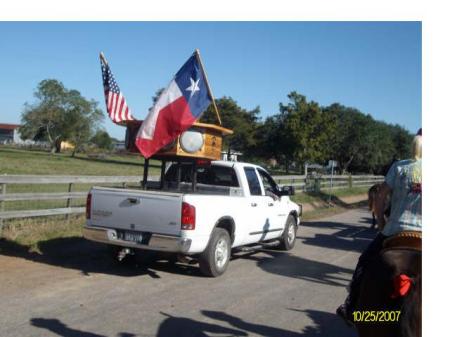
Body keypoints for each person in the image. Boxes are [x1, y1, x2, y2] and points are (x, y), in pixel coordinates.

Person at [336, 128, 422, 325]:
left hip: (395, 231)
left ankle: (351, 307)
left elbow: (380, 197)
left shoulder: (399, 167)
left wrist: (382, 223)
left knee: (364, 263)